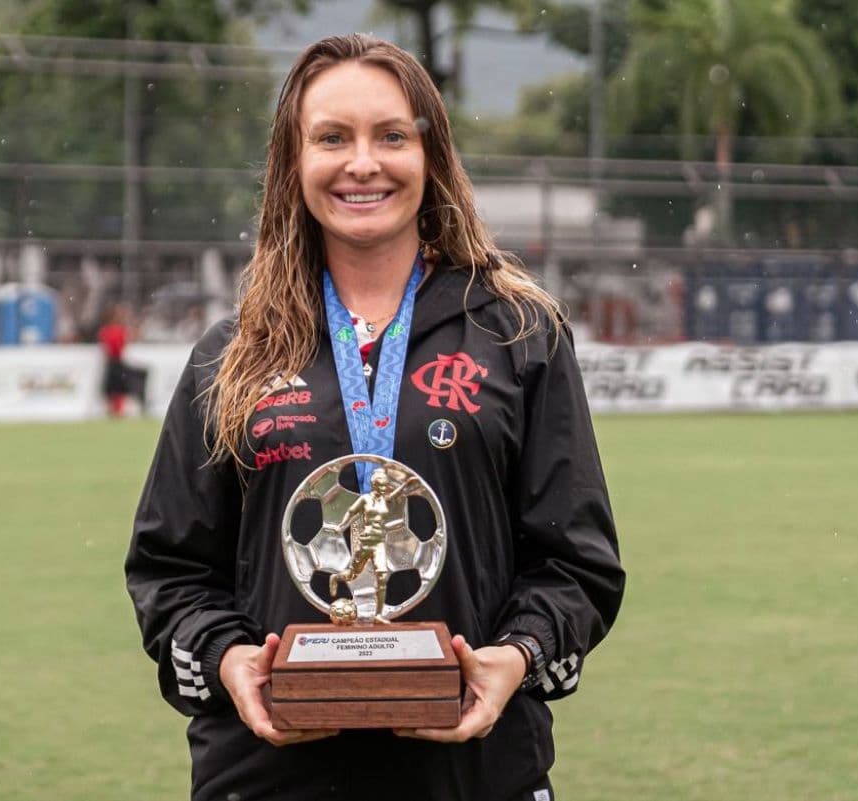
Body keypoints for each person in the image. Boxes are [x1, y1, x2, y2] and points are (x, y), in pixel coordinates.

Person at [125, 34, 624, 801]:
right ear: (294, 164)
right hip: (269, 778)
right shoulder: (232, 356)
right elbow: (172, 571)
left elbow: (576, 563)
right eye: (332, 138)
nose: (363, 163)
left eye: (391, 135)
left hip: (474, 774)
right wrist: (232, 662)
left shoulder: (518, 334)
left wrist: (517, 656)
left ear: (433, 156)